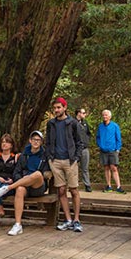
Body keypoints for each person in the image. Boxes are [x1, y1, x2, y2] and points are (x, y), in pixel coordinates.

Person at [0, 130, 50, 236]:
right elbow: (16, 172)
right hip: (24, 185)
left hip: (38, 186)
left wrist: (29, 178)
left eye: (38, 140)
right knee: (19, 190)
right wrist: (23, 179)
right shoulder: (24, 155)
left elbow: (44, 173)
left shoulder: (44, 156)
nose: (36, 142)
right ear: (30, 140)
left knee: (37, 174)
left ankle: (8, 188)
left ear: (41, 142)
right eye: (34, 139)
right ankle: (18, 224)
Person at [45, 97, 85, 233]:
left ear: (64, 107)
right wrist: (50, 158)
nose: (56, 110)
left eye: (59, 107)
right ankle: (68, 219)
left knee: (74, 190)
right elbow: (48, 142)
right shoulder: (51, 124)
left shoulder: (73, 123)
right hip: (56, 161)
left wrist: (76, 158)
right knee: (61, 190)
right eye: (55, 108)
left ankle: (77, 220)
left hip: (70, 160)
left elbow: (80, 142)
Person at [0, 134, 19, 230]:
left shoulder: (16, 157)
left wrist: (12, 180)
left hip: (9, 185)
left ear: (11, 145)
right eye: (3, 142)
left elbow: (18, 172)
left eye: (7, 142)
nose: (4, 144)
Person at [95, 109, 124, 193]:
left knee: (114, 167)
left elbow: (118, 138)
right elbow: (98, 137)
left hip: (113, 150)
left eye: (106, 115)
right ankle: (109, 186)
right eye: (103, 115)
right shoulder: (100, 126)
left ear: (110, 116)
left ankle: (118, 186)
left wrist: (118, 148)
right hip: (103, 150)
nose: (104, 116)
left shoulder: (115, 126)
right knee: (106, 167)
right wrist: (100, 145)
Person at [74, 108, 93, 192]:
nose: (85, 115)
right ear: (78, 113)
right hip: (75, 149)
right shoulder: (72, 123)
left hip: (84, 148)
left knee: (85, 168)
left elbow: (88, 133)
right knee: (74, 167)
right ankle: (74, 185)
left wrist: (86, 140)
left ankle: (87, 185)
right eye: (83, 113)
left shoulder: (85, 123)